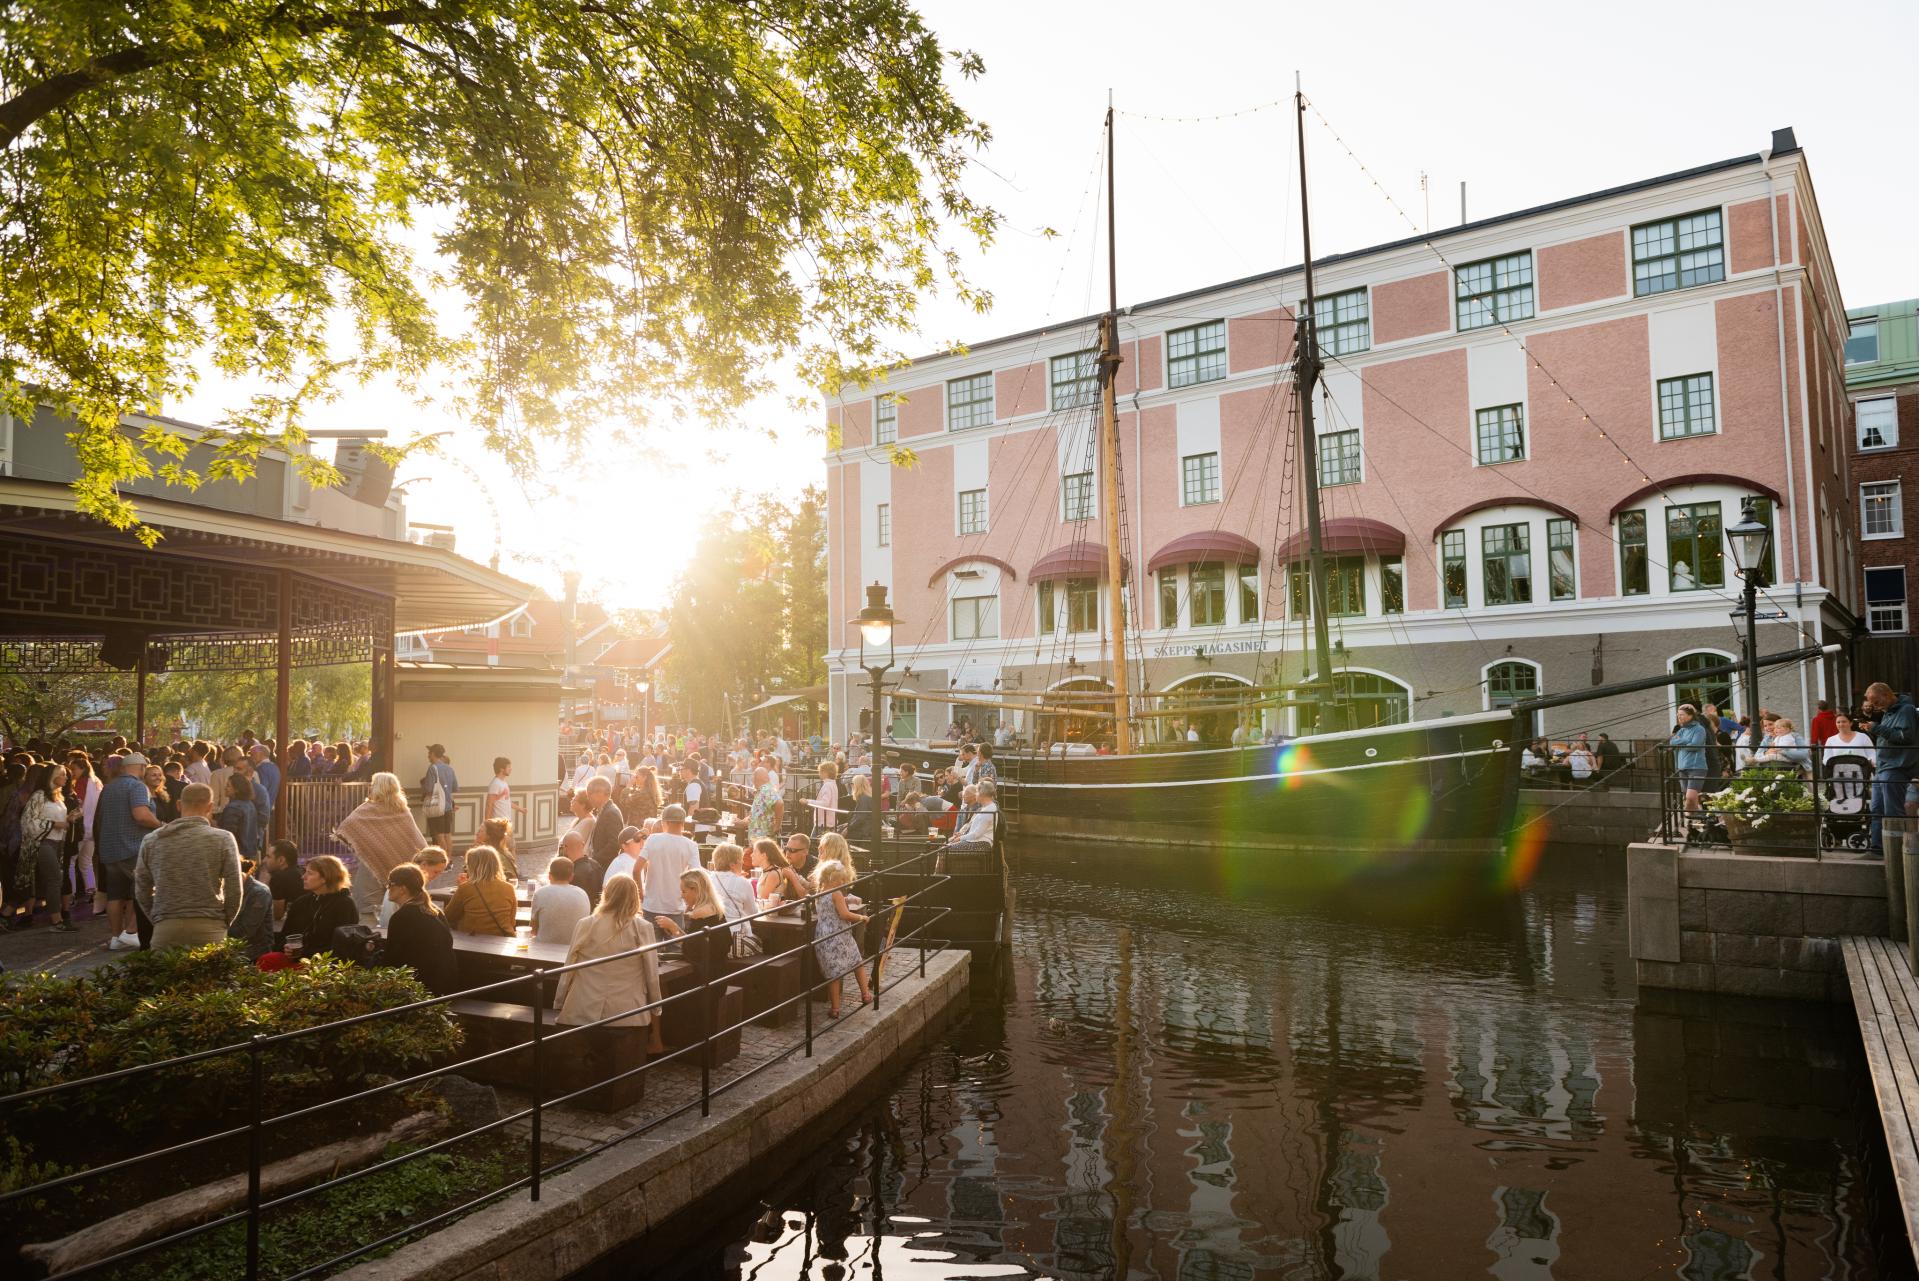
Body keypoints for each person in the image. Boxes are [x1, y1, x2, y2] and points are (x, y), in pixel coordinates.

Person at [554, 874, 666, 1056]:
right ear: (634, 896)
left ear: (606, 894)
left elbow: (569, 967)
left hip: (583, 1007)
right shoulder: (642, 927)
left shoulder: (586, 924)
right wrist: (655, 1007)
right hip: (628, 1011)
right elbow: (652, 974)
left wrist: (559, 1001)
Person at [335, 771, 429, 923]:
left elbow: (347, 826)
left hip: (371, 866)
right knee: (393, 908)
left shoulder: (367, 809)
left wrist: (366, 846)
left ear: (379, 788)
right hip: (392, 867)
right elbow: (418, 843)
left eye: (373, 785)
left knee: (369, 909)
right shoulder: (402, 810)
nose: (370, 788)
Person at [93, 752, 162, 950]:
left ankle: (116, 938)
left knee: (115, 895)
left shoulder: (109, 787)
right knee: (142, 890)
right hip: (132, 847)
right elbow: (141, 815)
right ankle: (131, 932)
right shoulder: (137, 786)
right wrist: (161, 825)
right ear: (142, 767)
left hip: (110, 849)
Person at [380, 863, 458, 994]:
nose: (387, 887)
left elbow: (391, 958)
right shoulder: (434, 910)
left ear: (403, 889)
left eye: (390, 884)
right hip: (443, 983)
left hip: (419, 988)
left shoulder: (402, 916)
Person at [810, 859, 872, 1017]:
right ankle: (866, 994)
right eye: (842, 880)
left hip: (824, 935)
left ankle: (835, 1009)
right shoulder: (836, 893)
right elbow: (845, 914)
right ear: (833, 880)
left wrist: (846, 900)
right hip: (839, 934)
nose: (844, 883)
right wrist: (861, 917)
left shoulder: (819, 893)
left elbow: (831, 907)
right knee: (857, 962)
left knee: (833, 973)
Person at [17, 761, 71, 930]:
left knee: (55, 879)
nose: (66, 777)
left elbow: (56, 819)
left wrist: (69, 819)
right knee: (54, 879)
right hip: (43, 842)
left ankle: (56, 919)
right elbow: (27, 822)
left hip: (57, 843)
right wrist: (55, 824)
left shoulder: (58, 796)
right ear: (52, 776)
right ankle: (56, 920)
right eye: (62, 774)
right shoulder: (39, 796)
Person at [1867, 682, 1917, 854]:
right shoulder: (1888, 712)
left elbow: (1905, 737)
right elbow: (1890, 736)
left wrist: (1877, 728)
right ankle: (1877, 849)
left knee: (1892, 811)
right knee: (1877, 809)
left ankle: (1895, 852)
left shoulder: (1907, 710)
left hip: (1896, 766)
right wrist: (1876, 729)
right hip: (1883, 766)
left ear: (1887, 695)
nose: (1875, 706)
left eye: (1876, 702)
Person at [634, 804, 699, 936]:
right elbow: (697, 877)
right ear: (683, 823)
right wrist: (689, 904)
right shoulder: (691, 845)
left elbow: (636, 870)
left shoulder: (653, 839)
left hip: (652, 905)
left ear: (665, 822)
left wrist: (641, 893)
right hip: (676, 906)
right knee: (676, 946)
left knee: (651, 946)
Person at [281, 854, 359, 957]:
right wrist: (286, 947)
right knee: (268, 959)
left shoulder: (345, 905)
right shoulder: (301, 902)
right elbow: (285, 935)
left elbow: (342, 946)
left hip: (325, 963)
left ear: (325, 878)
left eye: (310, 873)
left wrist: (305, 953)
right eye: (305, 872)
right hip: (294, 958)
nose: (303, 877)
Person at [443, 845, 517, 935]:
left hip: (474, 938)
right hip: (504, 937)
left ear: (473, 867)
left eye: (467, 865)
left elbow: (448, 917)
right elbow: (512, 922)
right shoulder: (509, 888)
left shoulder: (465, 888)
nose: (466, 868)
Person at [378, 845, 452, 929]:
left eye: (440, 873)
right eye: (435, 872)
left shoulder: (413, 886)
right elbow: (389, 922)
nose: (437, 876)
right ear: (424, 864)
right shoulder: (402, 888)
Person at [532, 855, 592, 944]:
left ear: (549, 876)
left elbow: (533, 929)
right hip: (573, 947)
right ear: (571, 877)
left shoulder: (540, 893)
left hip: (545, 948)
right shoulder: (583, 893)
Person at [228, 857, 275, 959]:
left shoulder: (259, 892)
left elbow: (246, 931)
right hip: (235, 951)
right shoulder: (228, 890)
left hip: (255, 955)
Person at [1669, 705, 1709, 813]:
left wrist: (1680, 741)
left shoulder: (1699, 729)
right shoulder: (1681, 730)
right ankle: (1695, 818)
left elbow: (1694, 746)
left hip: (1697, 767)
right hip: (1682, 768)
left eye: (1681, 715)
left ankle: (1698, 816)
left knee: (1690, 797)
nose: (1679, 717)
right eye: (1678, 715)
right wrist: (1686, 741)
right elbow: (1672, 742)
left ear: (1690, 716)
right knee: (1689, 799)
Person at [216, 773, 262, 863]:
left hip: (238, 854)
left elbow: (228, 833)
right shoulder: (250, 804)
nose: (225, 788)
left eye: (228, 786)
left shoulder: (233, 808)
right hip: (250, 852)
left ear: (236, 789)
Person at [944, 780, 999, 853]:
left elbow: (977, 833)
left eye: (977, 792)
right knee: (944, 846)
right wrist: (961, 835)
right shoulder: (986, 807)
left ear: (982, 793)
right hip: (976, 841)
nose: (976, 794)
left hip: (981, 843)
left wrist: (960, 838)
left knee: (944, 850)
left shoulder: (989, 810)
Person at [265, 839, 303, 942]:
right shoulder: (302, 871)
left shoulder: (278, 877)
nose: (265, 860)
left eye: (268, 856)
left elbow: (277, 915)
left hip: (292, 933)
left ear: (281, 860)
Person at [420, 744, 459, 845]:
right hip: (448, 806)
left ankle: (442, 855)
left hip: (436, 807)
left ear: (433, 753)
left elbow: (429, 789)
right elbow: (455, 788)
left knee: (439, 836)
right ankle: (449, 855)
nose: (428, 755)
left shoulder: (432, 768)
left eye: (429, 753)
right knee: (447, 835)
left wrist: (423, 785)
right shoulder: (450, 769)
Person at [584, 776, 625, 870]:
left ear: (600, 793)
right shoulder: (605, 810)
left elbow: (614, 844)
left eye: (589, 794)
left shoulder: (610, 813)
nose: (588, 798)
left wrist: (594, 859)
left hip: (605, 866)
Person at [754, 837, 810, 903]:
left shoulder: (813, 866)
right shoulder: (782, 867)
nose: (787, 853)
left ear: (805, 852)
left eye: (792, 850)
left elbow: (808, 895)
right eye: (786, 849)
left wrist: (792, 877)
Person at [746, 767, 783, 842]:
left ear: (757, 778)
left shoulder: (766, 790)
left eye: (754, 776)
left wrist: (777, 826)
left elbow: (779, 803)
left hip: (763, 838)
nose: (753, 779)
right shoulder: (762, 790)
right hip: (759, 838)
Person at [486, 756, 520, 825]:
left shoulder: (504, 783)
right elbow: (489, 804)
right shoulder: (495, 783)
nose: (511, 769)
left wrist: (520, 809)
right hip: (499, 823)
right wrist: (487, 824)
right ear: (501, 769)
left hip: (506, 821)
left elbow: (506, 801)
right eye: (509, 767)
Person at [844, 773, 877, 846]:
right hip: (866, 828)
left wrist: (848, 828)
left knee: (840, 834)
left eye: (852, 783)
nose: (851, 786)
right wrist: (848, 825)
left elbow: (860, 818)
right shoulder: (866, 797)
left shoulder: (863, 798)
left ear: (857, 785)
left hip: (863, 830)